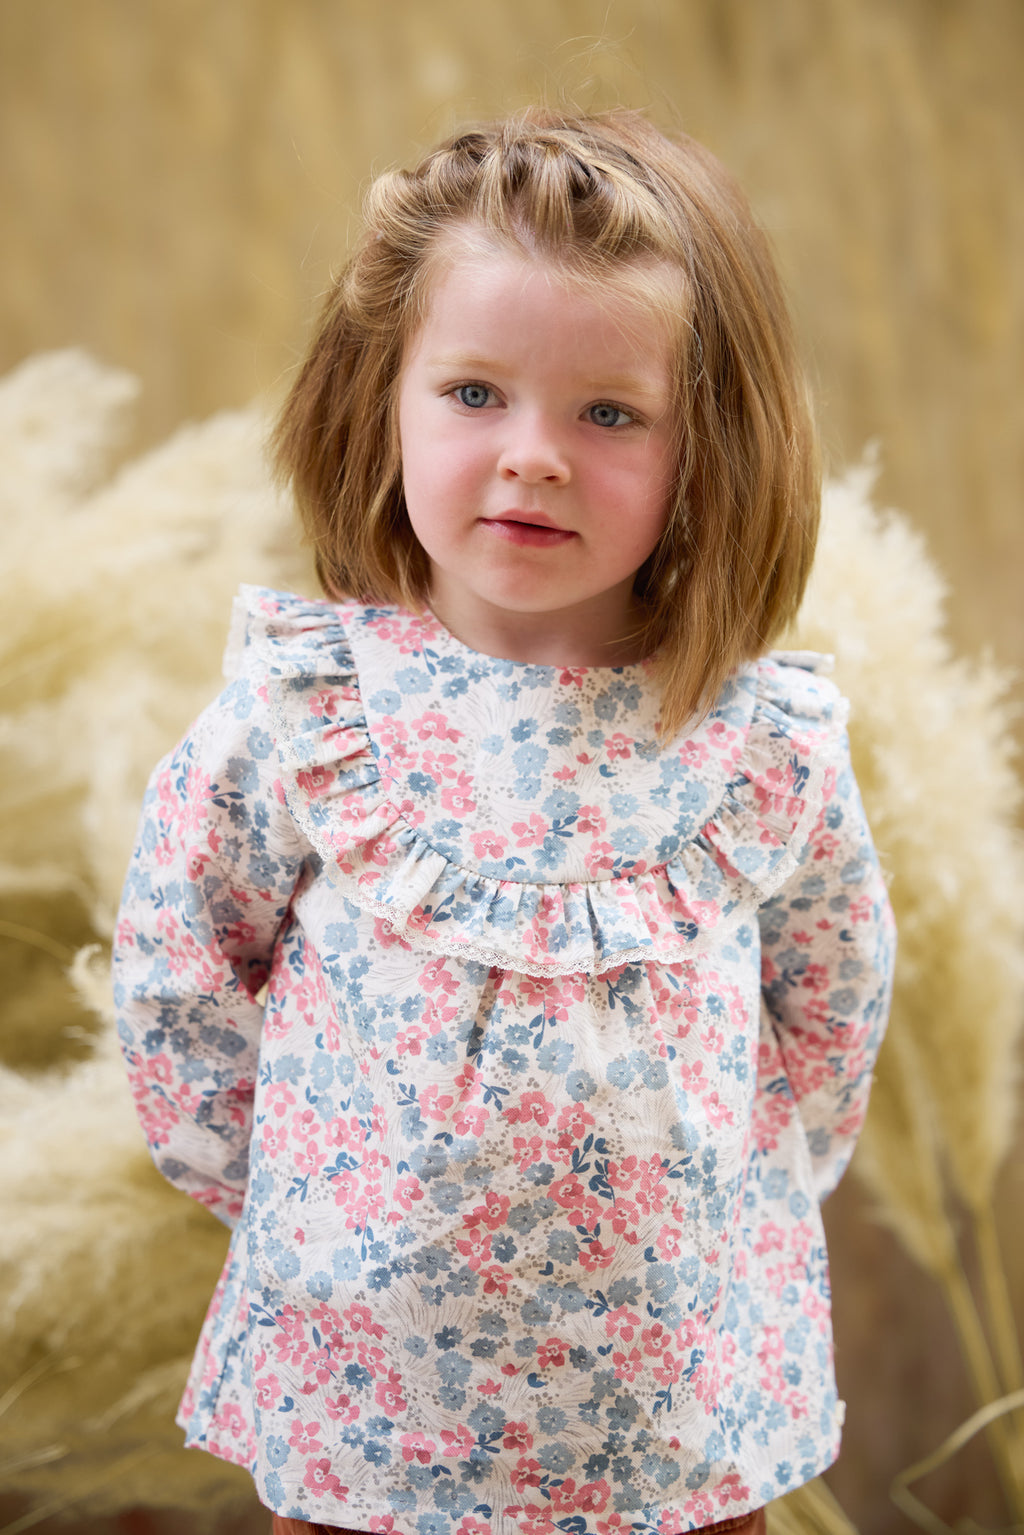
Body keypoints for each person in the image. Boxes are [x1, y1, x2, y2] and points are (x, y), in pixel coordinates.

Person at [112, 109, 896, 1535]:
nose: (533, 455)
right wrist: (296, 1203)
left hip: (668, 1415)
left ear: (707, 449)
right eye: (476, 392)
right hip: (370, 1402)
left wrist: (733, 1200)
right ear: (385, 399)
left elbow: (831, 1007)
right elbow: (180, 971)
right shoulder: (307, 713)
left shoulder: (755, 745)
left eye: (610, 414)